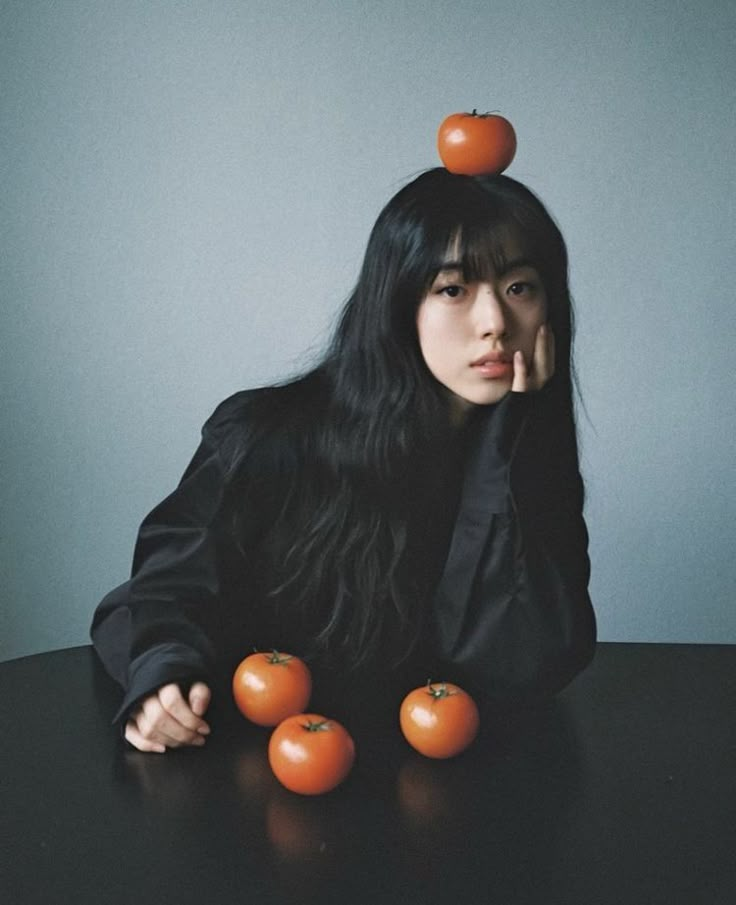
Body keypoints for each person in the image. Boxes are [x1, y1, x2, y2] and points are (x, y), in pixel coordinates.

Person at [91, 167, 596, 753]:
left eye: (519, 288)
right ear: (399, 302)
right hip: (259, 767)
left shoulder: (529, 461)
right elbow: (157, 593)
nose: (495, 324)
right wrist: (162, 682)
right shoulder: (268, 438)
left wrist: (507, 450)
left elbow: (525, 668)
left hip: (445, 791)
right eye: (453, 289)